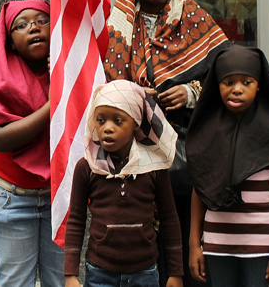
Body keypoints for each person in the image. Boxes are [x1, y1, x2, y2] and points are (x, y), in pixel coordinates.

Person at [104, 0, 229, 286]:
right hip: (138, 156)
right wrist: (133, 95)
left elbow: (230, 74)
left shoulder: (193, 16)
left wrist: (192, 92)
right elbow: (105, 88)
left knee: (190, 242)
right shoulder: (120, 24)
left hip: (190, 153)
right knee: (149, 249)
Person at [0, 0, 65, 287]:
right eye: (21, 25)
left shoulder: (68, 70)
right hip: (13, 199)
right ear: (10, 41)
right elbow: (1, 139)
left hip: (58, 197)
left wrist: (64, 76)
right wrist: (53, 104)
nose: (34, 27)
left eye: (42, 20)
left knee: (59, 281)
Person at [186, 45, 269, 287]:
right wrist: (194, 244)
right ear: (217, 85)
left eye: (246, 82)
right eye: (228, 82)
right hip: (217, 244)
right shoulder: (208, 131)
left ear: (259, 85)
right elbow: (200, 188)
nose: (236, 89)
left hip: (263, 246)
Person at [64, 80, 184, 287]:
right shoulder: (87, 167)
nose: (107, 128)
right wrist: (70, 274)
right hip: (99, 272)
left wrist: (176, 272)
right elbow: (76, 219)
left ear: (136, 122)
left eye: (118, 121)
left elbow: (169, 218)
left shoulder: (154, 167)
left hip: (145, 272)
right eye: (100, 120)